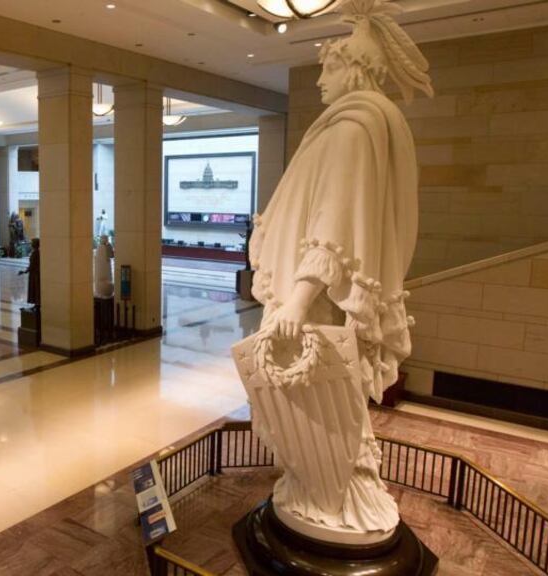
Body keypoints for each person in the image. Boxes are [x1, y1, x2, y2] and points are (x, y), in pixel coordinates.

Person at [242, 0, 432, 540]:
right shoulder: (356, 124)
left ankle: (340, 492)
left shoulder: (354, 128)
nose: (320, 77)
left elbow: (336, 220)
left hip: (317, 302)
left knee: (324, 401)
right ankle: (317, 484)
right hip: (313, 299)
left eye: (328, 66)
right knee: (317, 403)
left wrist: (298, 300)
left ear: (354, 68)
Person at [18, 237, 40, 308]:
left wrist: (24, 271)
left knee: (35, 288)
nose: (30, 244)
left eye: (32, 243)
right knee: (36, 288)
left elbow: (32, 266)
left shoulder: (35, 253)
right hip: (36, 273)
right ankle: (37, 303)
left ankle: (37, 303)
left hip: (35, 274)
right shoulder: (37, 252)